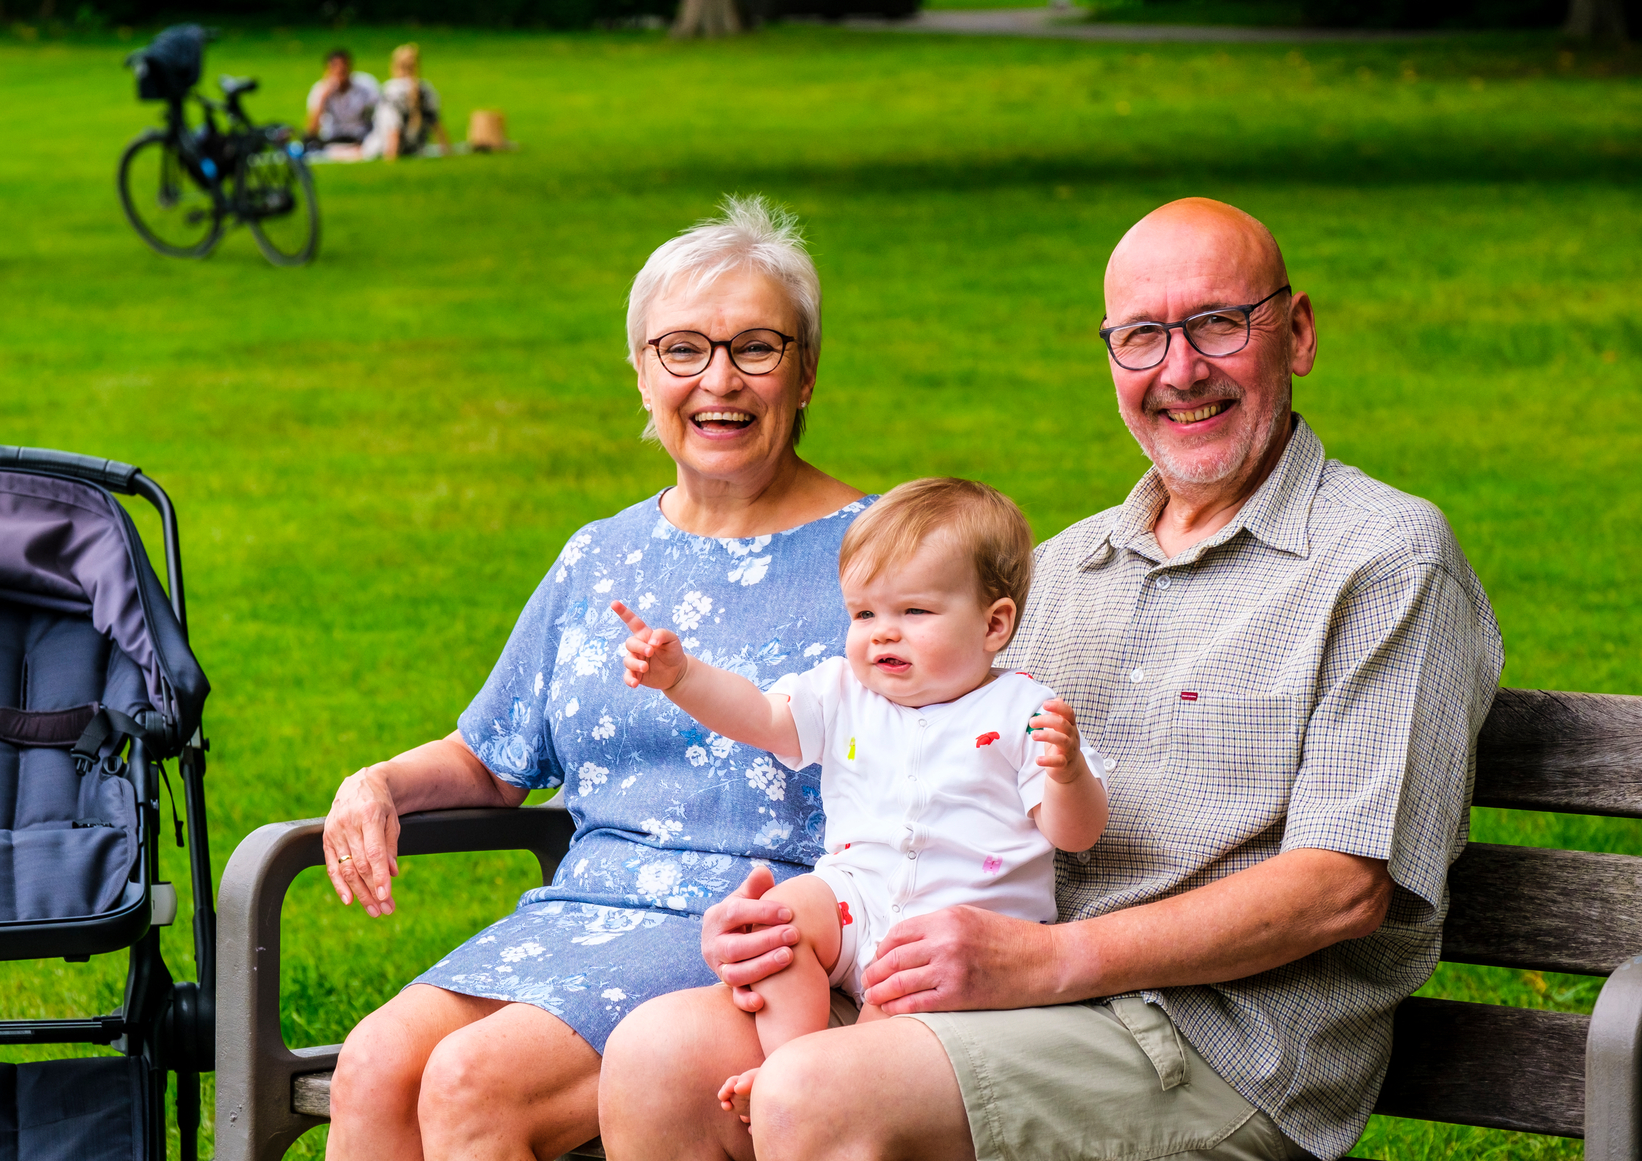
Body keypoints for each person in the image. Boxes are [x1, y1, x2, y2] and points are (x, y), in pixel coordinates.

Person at [599, 196, 1505, 1161]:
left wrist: (1048, 960)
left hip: (1208, 1046)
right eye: (1142, 337)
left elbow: (1344, 889)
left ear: (1299, 331)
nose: (1181, 369)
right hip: (994, 992)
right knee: (657, 1057)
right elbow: (913, 760)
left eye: (1218, 324)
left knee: (819, 1094)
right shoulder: (1064, 570)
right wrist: (784, 927)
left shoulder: (1384, 558)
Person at [318, 196, 872, 1161]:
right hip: (582, 911)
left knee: (470, 1081)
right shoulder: (599, 555)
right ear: (643, 373)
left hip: (761, 929)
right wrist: (377, 783)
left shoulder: (874, 552)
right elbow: (491, 758)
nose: (719, 381)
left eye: (756, 347)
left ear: (808, 370)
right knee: (373, 1066)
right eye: (684, 350)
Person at [612, 477, 1107, 1119]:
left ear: (994, 624)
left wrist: (1067, 777)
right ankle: (793, 1057)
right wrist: (683, 678)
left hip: (958, 933)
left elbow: (1075, 834)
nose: (882, 635)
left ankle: (826, 1088)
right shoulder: (844, 689)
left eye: (914, 613)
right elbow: (761, 718)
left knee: (899, 1016)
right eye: (864, 614)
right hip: (855, 899)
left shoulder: (1024, 711)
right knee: (779, 921)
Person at [366, 42, 449, 161]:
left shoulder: (391, 89)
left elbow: (392, 128)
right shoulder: (426, 89)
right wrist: (448, 153)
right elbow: (436, 124)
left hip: (383, 149)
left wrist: (391, 159)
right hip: (418, 149)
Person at [306, 48, 380, 156]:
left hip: (360, 138)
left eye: (343, 69)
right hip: (332, 139)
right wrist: (322, 99)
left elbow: (381, 114)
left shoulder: (366, 85)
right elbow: (311, 132)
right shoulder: (320, 90)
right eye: (336, 68)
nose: (340, 72)